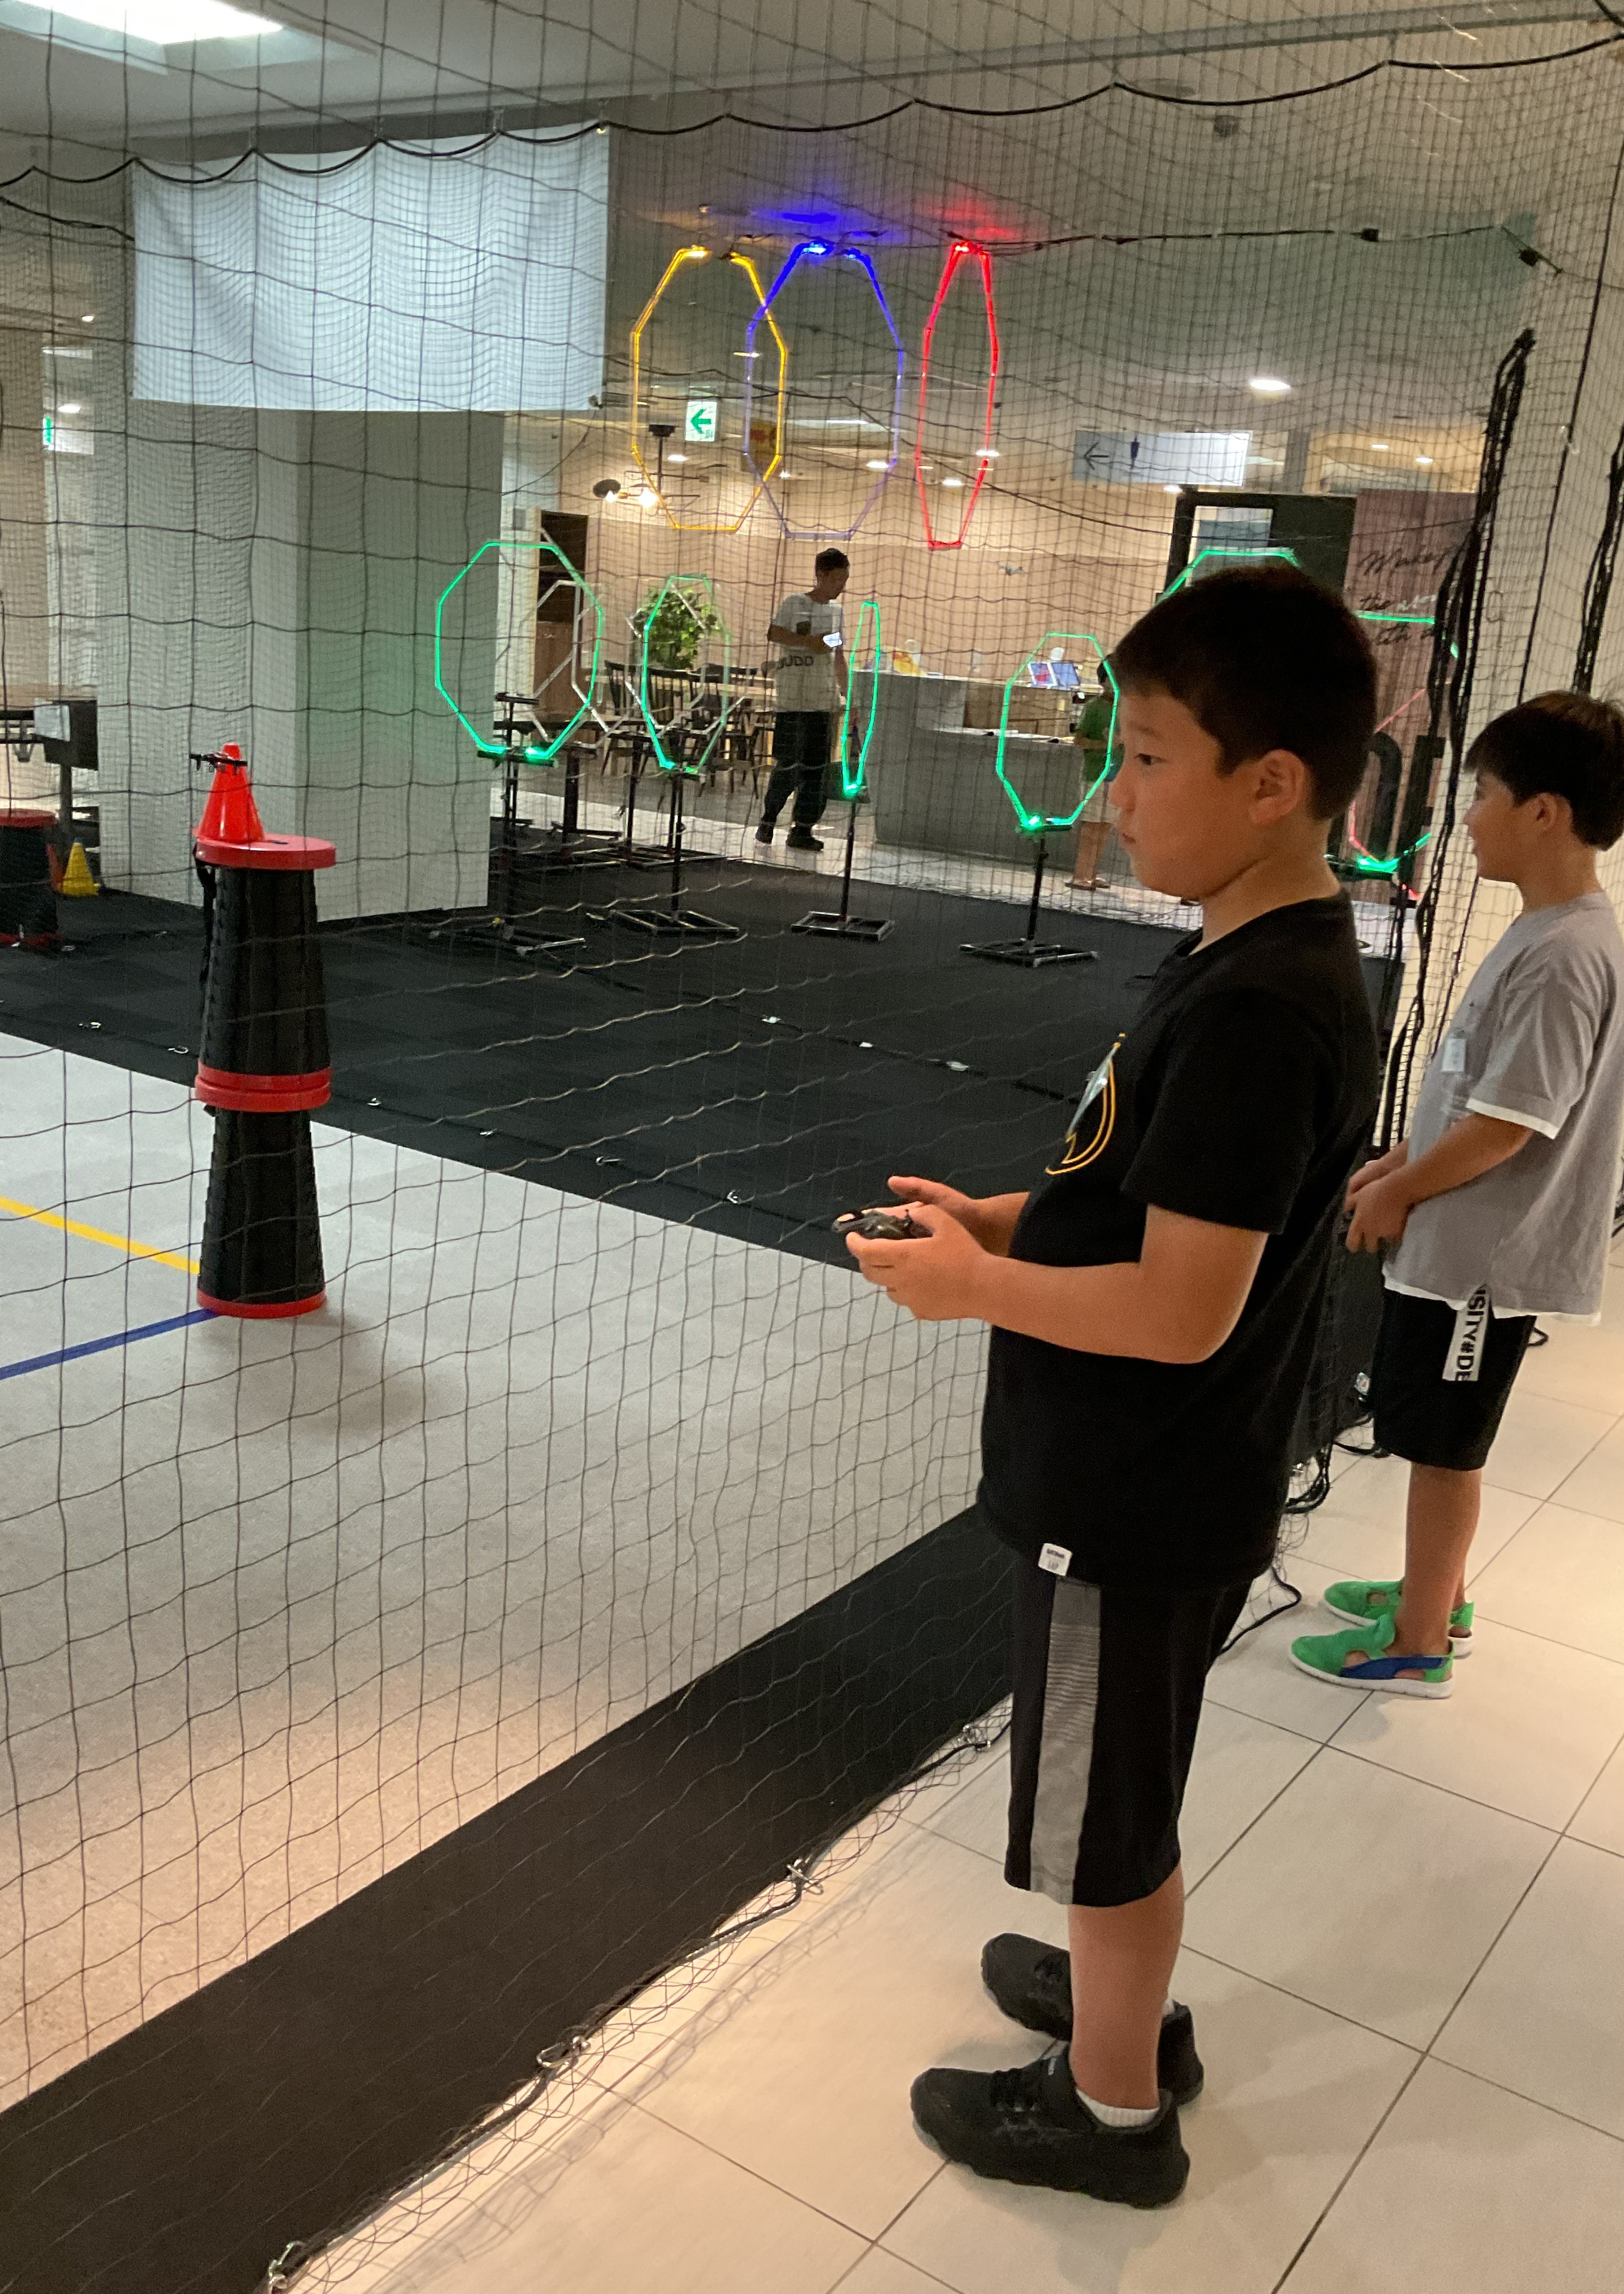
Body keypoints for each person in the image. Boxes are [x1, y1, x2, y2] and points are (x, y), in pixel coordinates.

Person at [846, 566, 1379, 2208]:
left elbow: (1179, 1307)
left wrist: (973, 1286)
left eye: (1145, 758)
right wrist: (1008, 1220)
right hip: (1163, 1481)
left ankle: (1111, 2110)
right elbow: (1151, 1205)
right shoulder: (1248, 951)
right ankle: (1116, 1998)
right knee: (1119, 1788)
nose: (1112, 794)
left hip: (1131, 1497)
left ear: (1268, 783)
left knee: (1100, 1823)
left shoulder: (1260, 1009)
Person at [1292, 692, 1624, 1700]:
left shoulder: (1567, 954)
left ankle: (1420, 1637)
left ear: (1545, 812)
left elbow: (1511, 1124)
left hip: (1483, 1262)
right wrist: (1402, 1158)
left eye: (1483, 794)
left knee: (1443, 1446)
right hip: (1464, 1240)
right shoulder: (1550, 930)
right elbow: (1481, 1091)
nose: (1468, 817)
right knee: (1436, 1433)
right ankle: (1438, 1590)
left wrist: (1401, 1192)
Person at [756, 548, 849, 851]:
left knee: (817, 770)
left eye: (845, 580)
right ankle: (769, 819)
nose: (841, 586)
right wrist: (809, 642)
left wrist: (849, 694)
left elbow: (838, 651)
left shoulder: (837, 612)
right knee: (789, 765)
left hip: (823, 701)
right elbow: (774, 633)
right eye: (836, 579)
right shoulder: (794, 604)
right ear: (820, 575)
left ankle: (803, 829)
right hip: (793, 701)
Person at [1071, 680, 1119, 888]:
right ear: (1102, 681)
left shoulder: (1126, 707)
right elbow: (1079, 740)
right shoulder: (1094, 708)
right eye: (1110, 677)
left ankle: (1091, 873)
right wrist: (1105, 745)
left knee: (1105, 828)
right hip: (1095, 775)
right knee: (1091, 827)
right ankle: (1080, 875)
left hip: (1117, 776)